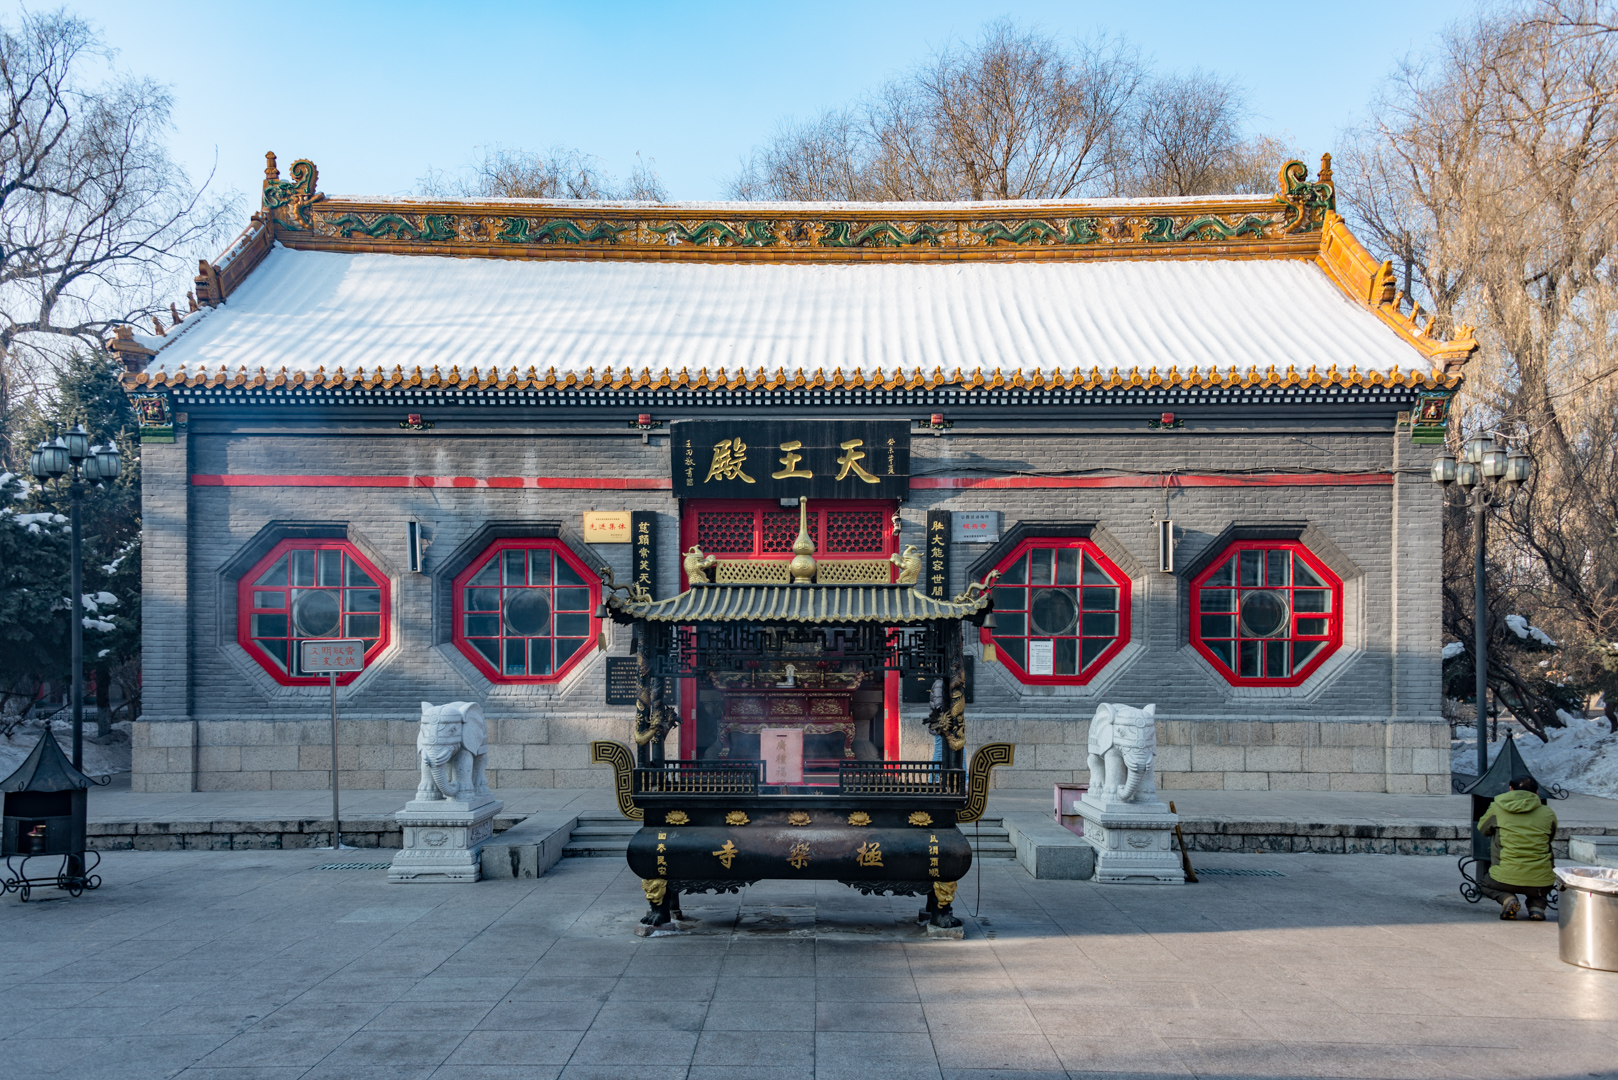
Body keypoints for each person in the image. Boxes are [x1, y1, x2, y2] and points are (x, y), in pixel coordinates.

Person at [1477, 777, 1558, 920]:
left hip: (1504, 878)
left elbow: (1483, 829)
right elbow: (1549, 838)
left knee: (1485, 884)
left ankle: (1508, 899)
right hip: (1541, 883)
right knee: (1542, 876)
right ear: (1537, 793)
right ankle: (1537, 908)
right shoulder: (1548, 813)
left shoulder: (1497, 808)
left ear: (1510, 789)